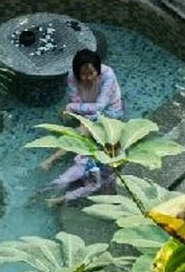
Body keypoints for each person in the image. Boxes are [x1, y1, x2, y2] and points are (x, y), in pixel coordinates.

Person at [39, 49, 123, 206]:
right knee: (81, 134)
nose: (88, 78)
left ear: (98, 69)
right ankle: (52, 162)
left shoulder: (108, 75)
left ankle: (52, 160)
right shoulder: (72, 77)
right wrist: (73, 109)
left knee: (83, 131)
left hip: (109, 113)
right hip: (89, 125)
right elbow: (75, 97)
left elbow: (100, 106)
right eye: (83, 74)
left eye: (91, 73)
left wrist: (71, 107)